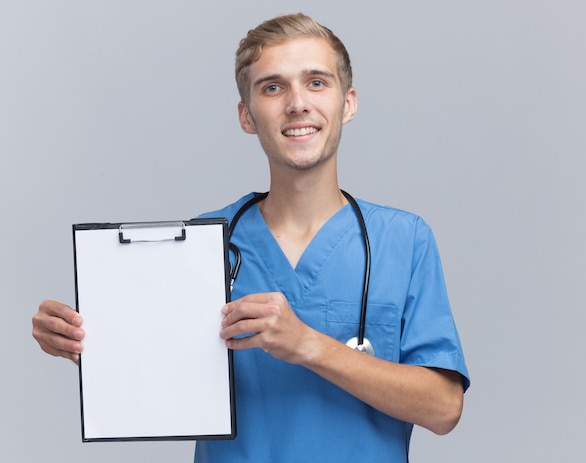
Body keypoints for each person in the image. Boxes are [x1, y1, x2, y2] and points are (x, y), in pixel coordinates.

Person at [32, 12, 470, 462]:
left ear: (348, 103)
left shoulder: (403, 241)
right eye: (273, 87)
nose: (297, 103)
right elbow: (161, 386)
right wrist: (94, 346)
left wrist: (309, 345)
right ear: (246, 116)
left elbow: (443, 409)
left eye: (317, 82)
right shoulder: (201, 245)